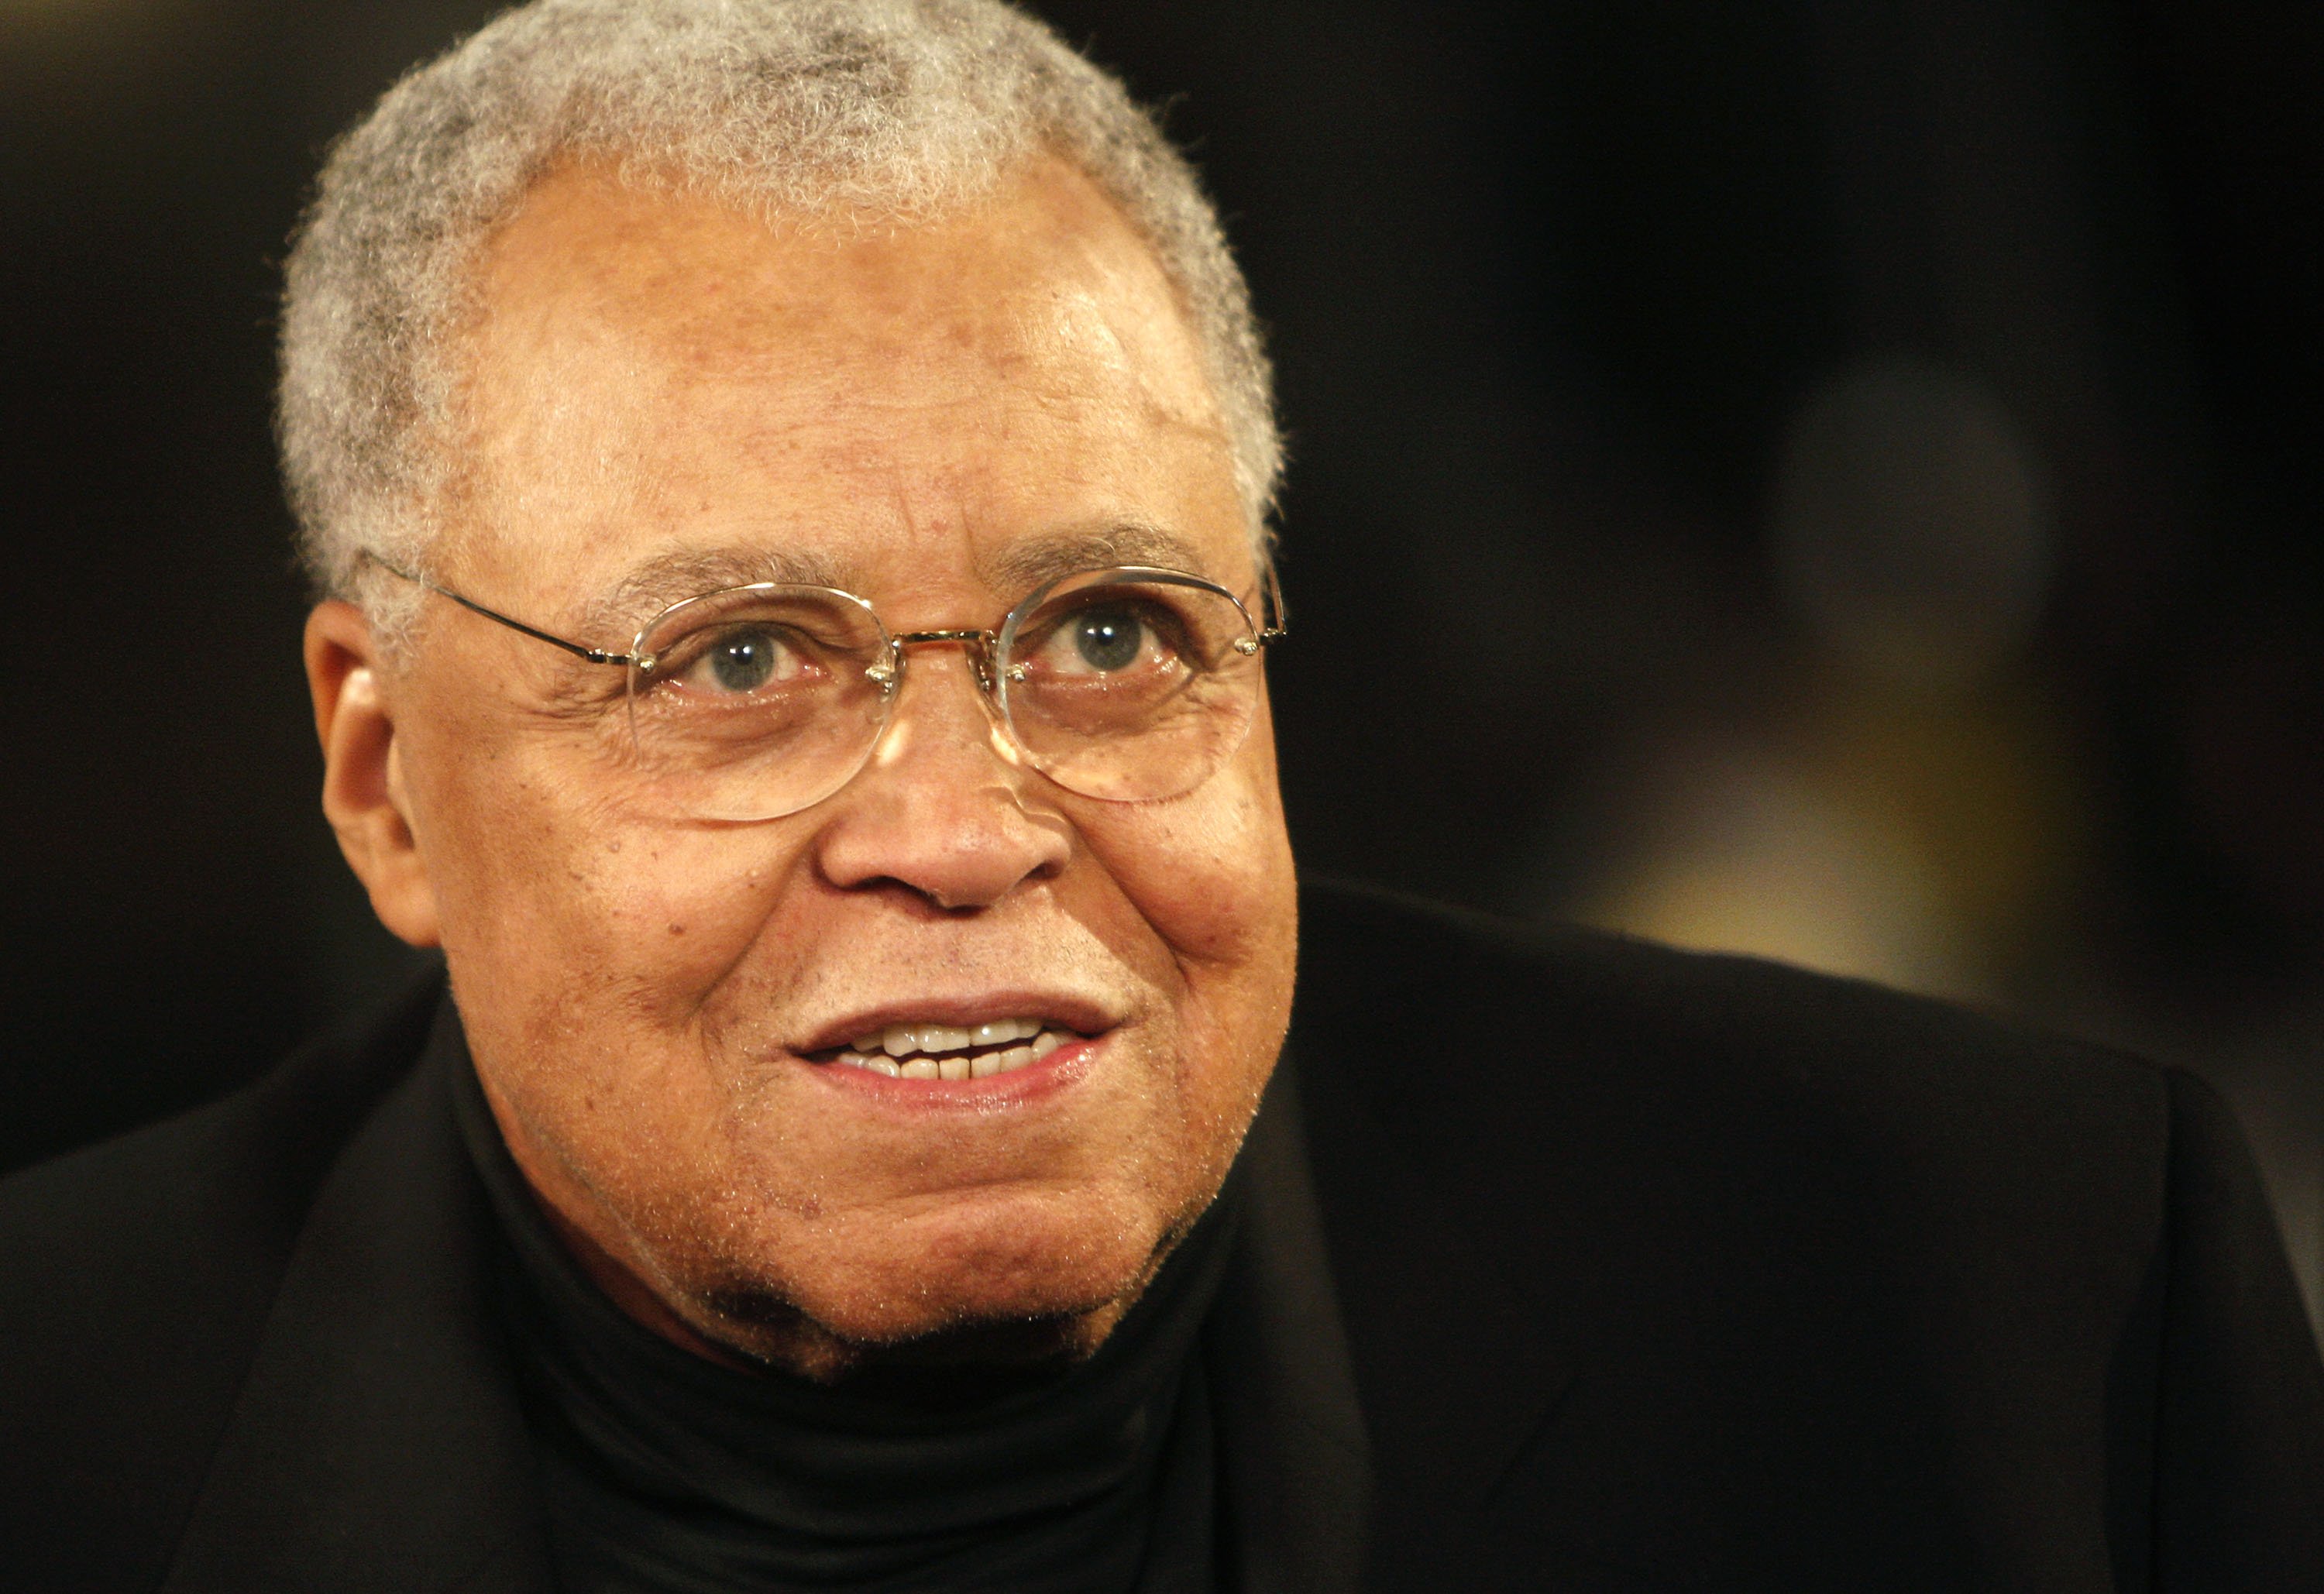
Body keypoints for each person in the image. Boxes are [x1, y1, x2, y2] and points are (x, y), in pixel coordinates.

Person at [2, 1, 2319, 1589]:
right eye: (740, 662)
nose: (967, 822)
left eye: (1109, 633)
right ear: (389, 786)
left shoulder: (2020, 1311)